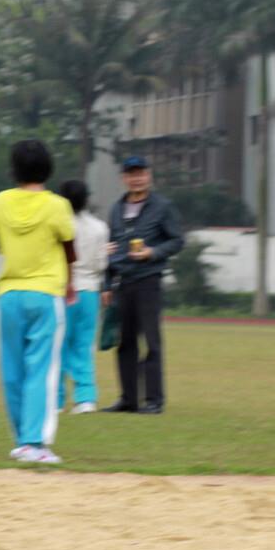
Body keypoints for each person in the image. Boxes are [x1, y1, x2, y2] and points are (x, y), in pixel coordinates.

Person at [0, 140, 75, 465]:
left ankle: (21, 440)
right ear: (48, 167)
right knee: (43, 368)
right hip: (45, 292)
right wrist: (71, 285)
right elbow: (69, 248)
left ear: (14, 169)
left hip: (8, 293)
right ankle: (34, 441)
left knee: (12, 369)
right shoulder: (57, 205)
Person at [101, 157, 183, 415]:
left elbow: (178, 241)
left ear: (149, 175)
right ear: (123, 178)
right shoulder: (116, 209)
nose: (136, 178)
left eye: (140, 173)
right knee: (125, 343)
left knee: (151, 341)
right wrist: (106, 283)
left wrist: (153, 252)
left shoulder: (162, 207)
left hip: (148, 280)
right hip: (123, 282)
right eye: (131, 174)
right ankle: (128, 398)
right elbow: (110, 248)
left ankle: (154, 400)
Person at [57, 180, 108, 415]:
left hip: (63, 289)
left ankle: (57, 399)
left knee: (57, 346)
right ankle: (85, 397)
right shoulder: (99, 227)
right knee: (84, 345)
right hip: (90, 291)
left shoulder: (59, 224)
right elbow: (101, 264)